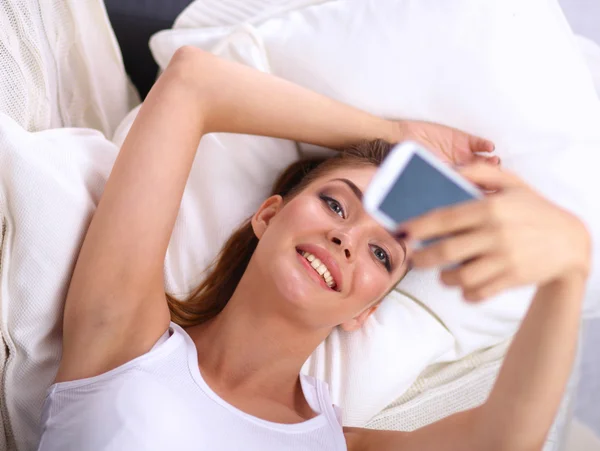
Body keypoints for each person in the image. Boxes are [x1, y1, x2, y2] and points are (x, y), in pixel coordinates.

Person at [38, 47, 591, 451]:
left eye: (382, 254)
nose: (347, 240)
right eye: (335, 205)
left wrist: (569, 273)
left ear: (366, 311)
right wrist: (393, 133)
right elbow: (191, 83)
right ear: (269, 215)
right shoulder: (125, 337)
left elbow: (504, 440)